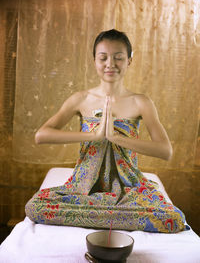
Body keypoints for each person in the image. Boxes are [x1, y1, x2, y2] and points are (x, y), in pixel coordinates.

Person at [25, 29, 186, 233]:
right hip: (84, 188)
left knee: (173, 219)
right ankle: (114, 217)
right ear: (95, 61)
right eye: (103, 58)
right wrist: (94, 136)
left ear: (129, 60)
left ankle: (96, 216)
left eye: (118, 58)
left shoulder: (141, 102)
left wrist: (115, 137)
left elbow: (165, 151)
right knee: (35, 208)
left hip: (129, 187)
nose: (110, 64)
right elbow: (42, 135)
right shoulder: (81, 99)